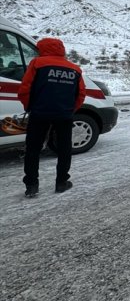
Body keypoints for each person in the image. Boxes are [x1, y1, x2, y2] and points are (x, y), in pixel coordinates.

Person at [18, 38, 85, 197]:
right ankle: (62, 182)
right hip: (64, 114)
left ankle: (31, 185)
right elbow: (81, 94)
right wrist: (70, 110)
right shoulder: (74, 69)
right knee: (64, 148)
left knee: (33, 149)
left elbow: (24, 89)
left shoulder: (37, 64)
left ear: (42, 48)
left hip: (39, 113)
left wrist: (29, 107)